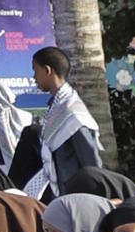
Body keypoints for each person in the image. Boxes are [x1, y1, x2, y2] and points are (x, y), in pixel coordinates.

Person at [27, 46, 104, 192]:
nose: (34, 77)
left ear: (48, 70)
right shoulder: (56, 106)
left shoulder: (72, 113)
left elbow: (90, 159)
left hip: (75, 193)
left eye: (36, 71)